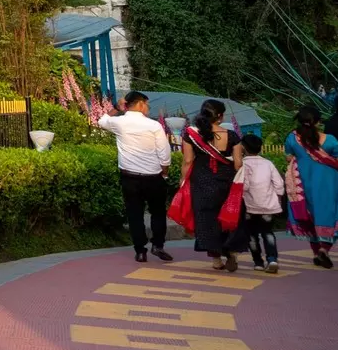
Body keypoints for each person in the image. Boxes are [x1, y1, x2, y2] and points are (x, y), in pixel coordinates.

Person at [97, 90, 174, 263]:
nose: (148, 108)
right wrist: (165, 173)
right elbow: (164, 154)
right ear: (140, 104)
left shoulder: (119, 122)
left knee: (134, 214)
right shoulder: (154, 125)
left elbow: (101, 120)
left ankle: (140, 251)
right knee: (158, 212)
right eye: (147, 104)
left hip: (129, 177)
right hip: (153, 177)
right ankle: (158, 245)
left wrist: (116, 107)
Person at [179, 101, 245, 270]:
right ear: (220, 116)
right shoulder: (232, 136)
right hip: (226, 181)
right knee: (229, 216)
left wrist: (182, 180)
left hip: (201, 182)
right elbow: (238, 164)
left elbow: (188, 160)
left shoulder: (191, 135)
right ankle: (231, 253)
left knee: (207, 220)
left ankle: (216, 260)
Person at [283, 104, 338, 268]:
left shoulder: (292, 138)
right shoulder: (330, 140)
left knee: (310, 216)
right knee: (329, 213)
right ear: (318, 122)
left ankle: (317, 253)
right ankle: (324, 249)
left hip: (303, 182)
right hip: (328, 182)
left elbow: (288, 157)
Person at [239, 129, 286, 274]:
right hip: (268, 205)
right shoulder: (268, 163)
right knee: (268, 232)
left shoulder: (242, 165)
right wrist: (278, 197)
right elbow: (279, 184)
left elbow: (244, 186)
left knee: (252, 235)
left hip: (249, 206)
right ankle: (272, 259)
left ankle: (258, 262)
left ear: (243, 148)